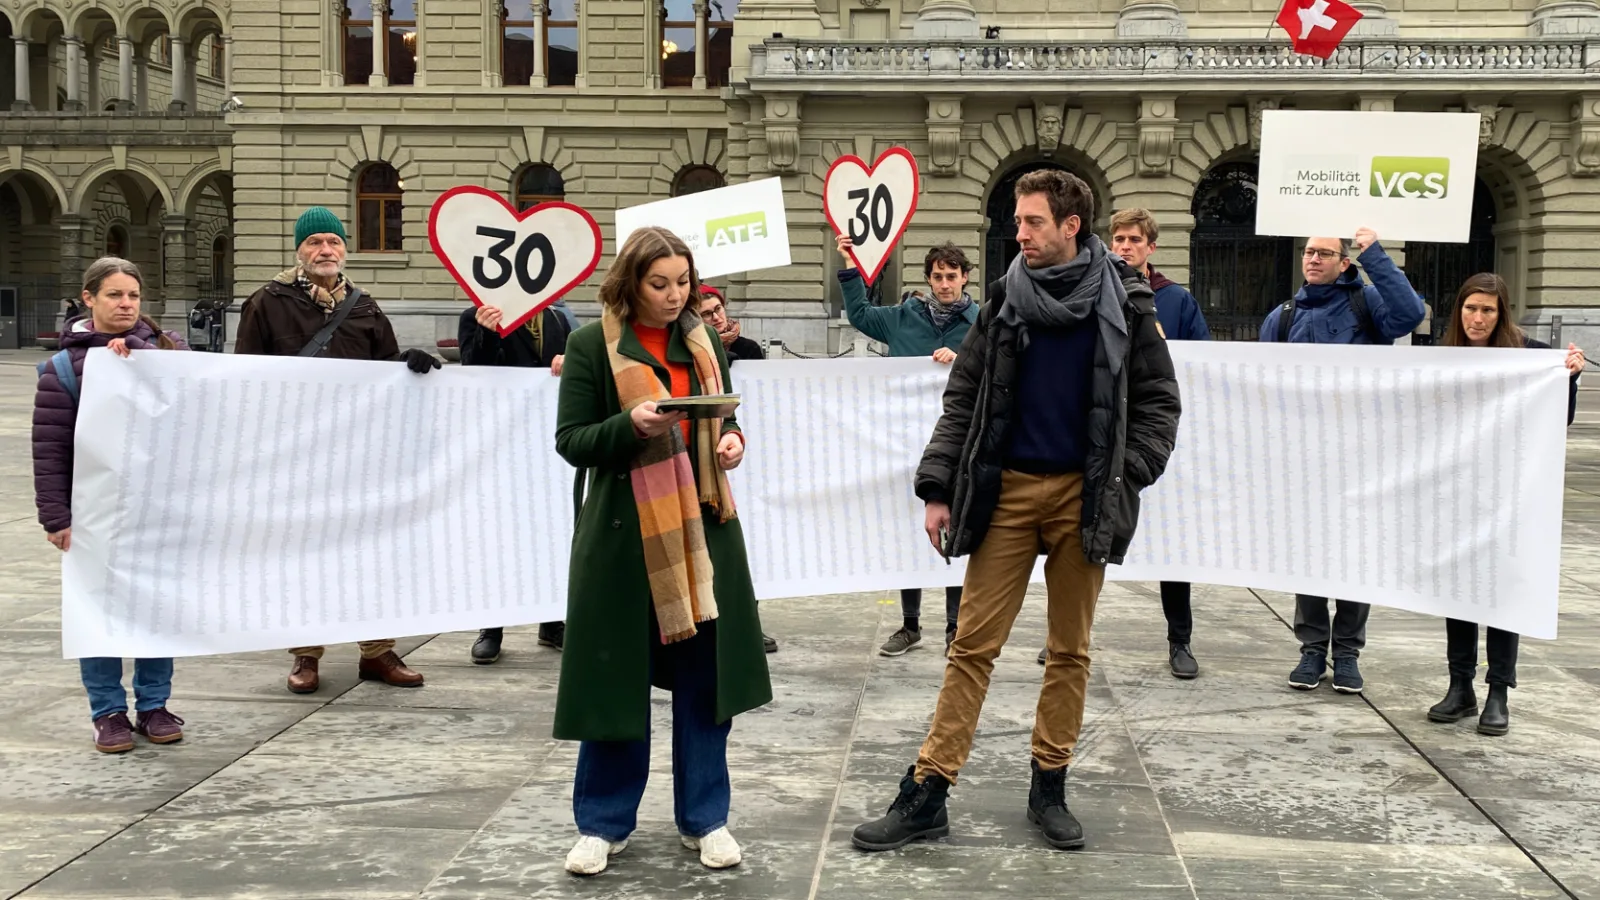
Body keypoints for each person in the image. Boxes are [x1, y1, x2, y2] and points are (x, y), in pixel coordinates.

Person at [851, 170, 1180, 853]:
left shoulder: (1128, 301)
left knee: (1070, 652)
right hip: (1008, 494)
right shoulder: (1004, 300)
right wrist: (937, 487)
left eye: (1031, 222)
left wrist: (1126, 477)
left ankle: (1050, 785)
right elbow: (964, 398)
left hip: (1084, 498)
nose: (1019, 232)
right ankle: (929, 791)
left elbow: (1159, 405)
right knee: (970, 646)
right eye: (1018, 221)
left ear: (1071, 227)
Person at [553, 225, 772, 876]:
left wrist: (732, 440)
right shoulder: (592, 344)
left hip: (705, 533)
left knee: (707, 686)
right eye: (659, 284)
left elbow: (724, 419)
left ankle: (705, 819)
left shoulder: (706, 343)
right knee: (614, 678)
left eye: (683, 282)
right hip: (625, 539)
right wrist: (632, 426)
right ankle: (603, 822)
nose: (675, 296)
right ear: (631, 282)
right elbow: (572, 440)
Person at [235, 206, 440, 695]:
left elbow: (386, 370)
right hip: (295, 456)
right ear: (299, 249)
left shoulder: (365, 306)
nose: (325, 250)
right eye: (314, 243)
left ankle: (377, 650)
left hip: (357, 456)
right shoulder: (267, 302)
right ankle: (306, 653)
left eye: (333, 241)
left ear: (344, 248)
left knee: (370, 550)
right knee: (305, 554)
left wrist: (406, 366)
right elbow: (244, 380)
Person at [1027, 207, 1207, 678]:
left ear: (1151, 247)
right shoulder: (1095, 286)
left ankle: (1179, 639)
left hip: (1152, 446)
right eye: (1119, 239)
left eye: (1133, 240)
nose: (1124, 247)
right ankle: (1063, 637)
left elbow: (1200, 366)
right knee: (1083, 549)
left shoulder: (1177, 303)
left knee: (1175, 546)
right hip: (1101, 445)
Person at [33, 258, 191, 753]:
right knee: (98, 612)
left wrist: (141, 355)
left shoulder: (165, 348)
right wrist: (55, 517)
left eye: (133, 297)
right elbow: (49, 448)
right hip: (94, 512)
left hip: (156, 510)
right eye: (114, 296)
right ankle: (107, 711)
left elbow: (193, 397)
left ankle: (154, 705)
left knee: (155, 608)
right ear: (89, 298)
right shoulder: (61, 369)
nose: (125, 305)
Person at [1260, 227, 1425, 695]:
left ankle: (1347, 652)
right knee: (1310, 554)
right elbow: (1264, 389)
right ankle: (1312, 650)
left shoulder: (1366, 304)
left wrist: (1375, 255)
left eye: (1324, 253)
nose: (1312, 259)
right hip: (1305, 461)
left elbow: (1410, 314)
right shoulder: (1283, 317)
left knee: (1356, 553)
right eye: (1309, 252)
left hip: (1362, 457)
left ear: (1343, 262)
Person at [1426, 272, 1584, 736]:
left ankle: (1498, 690)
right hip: (1457, 494)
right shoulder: (1445, 358)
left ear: (1502, 313)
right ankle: (1460, 687)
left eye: (1488, 310)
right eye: (1470, 308)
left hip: (1511, 495)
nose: (1477, 318)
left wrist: (1569, 379)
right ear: (1459, 310)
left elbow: (1561, 419)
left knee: (1501, 593)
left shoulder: (1532, 357)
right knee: (1459, 590)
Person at [836, 236, 980, 657]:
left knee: (956, 529)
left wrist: (963, 359)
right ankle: (910, 625)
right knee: (906, 530)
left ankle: (956, 627)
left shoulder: (981, 322)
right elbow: (860, 314)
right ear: (929, 279)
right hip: (903, 444)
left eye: (952, 277)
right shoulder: (902, 317)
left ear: (965, 277)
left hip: (957, 443)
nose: (945, 285)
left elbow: (996, 364)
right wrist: (849, 264)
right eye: (938, 277)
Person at [457, 298, 577, 663]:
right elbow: (472, 371)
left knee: (550, 531)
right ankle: (492, 626)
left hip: (546, 444)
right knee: (500, 534)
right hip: (500, 445)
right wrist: (487, 334)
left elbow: (583, 372)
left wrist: (571, 365)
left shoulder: (560, 319)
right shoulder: (474, 317)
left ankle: (552, 621)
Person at [697, 285, 779, 653]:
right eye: (705, 314)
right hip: (709, 458)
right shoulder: (695, 351)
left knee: (751, 545)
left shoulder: (747, 349)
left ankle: (748, 623)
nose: (715, 318)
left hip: (747, 452)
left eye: (718, 310)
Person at [697, 285, 765, 363]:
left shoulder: (749, 348)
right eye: (706, 314)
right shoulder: (692, 349)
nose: (716, 317)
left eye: (718, 308)